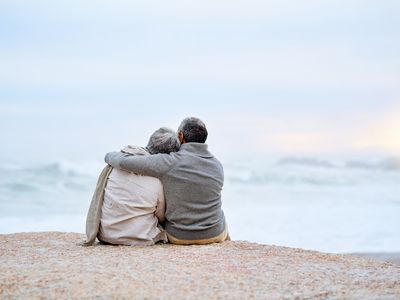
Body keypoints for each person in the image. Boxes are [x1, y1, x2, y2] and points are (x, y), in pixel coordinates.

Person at [105, 117, 229, 245]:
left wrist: (109, 155)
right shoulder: (217, 165)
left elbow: (124, 162)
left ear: (181, 136)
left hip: (179, 236)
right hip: (216, 234)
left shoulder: (169, 162)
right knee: (220, 217)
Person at [83, 127, 180, 246]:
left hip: (107, 234)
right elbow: (161, 215)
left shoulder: (115, 165)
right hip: (139, 237)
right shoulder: (157, 180)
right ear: (168, 156)